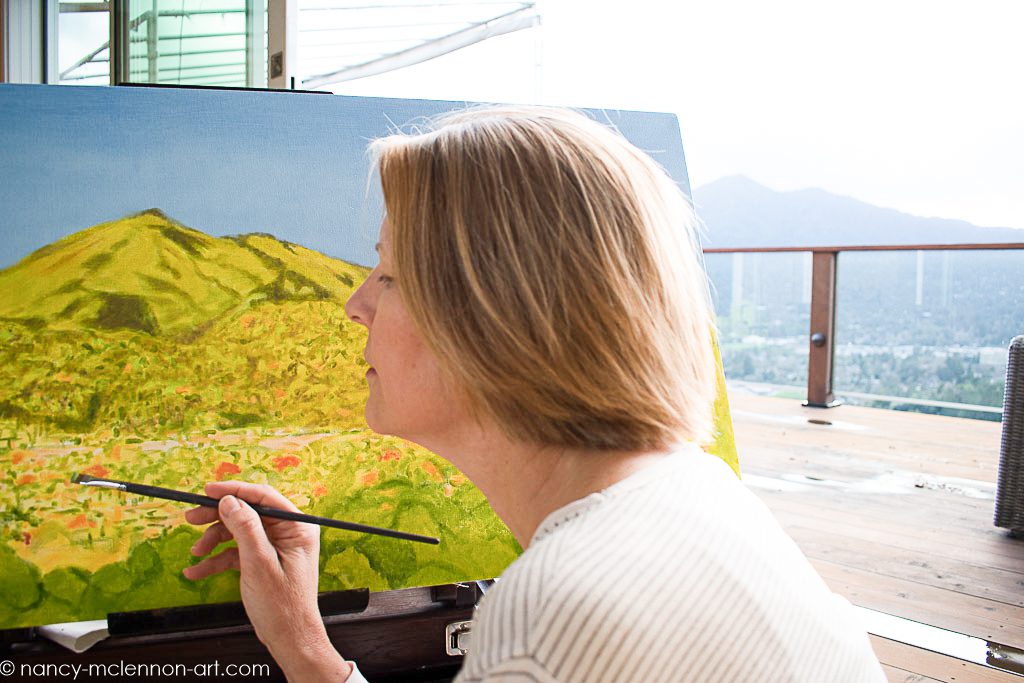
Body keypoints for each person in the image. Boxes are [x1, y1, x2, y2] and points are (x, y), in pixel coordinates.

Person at [182, 106, 886, 682]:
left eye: (389, 275)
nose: (355, 305)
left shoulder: (552, 619)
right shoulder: (698, 492)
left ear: (489, 315)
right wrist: (306, 646)